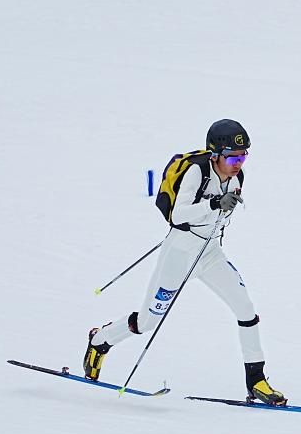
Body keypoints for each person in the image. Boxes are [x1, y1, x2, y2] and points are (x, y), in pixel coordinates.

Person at [83, 119, 287, 405]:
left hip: (210, 254)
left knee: (246, 310)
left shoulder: (237, 177)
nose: (238, 164)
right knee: (146, 322)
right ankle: (100, 340)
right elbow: (178, 216)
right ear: (215, 154)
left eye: (243, 157)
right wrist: (214, 203)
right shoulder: (197, 172)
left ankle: (256, 381)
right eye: (232, 158)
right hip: (178, 256)